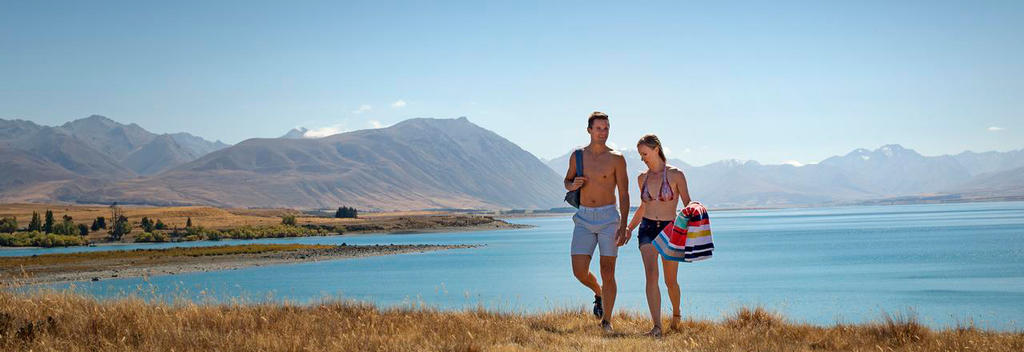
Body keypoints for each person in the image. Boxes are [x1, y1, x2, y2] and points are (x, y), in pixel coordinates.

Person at [564, 111, 630, 333]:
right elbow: (567, 181)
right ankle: (599, 293)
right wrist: (572, 185)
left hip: (609, 218)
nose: (603, 132)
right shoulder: (578, 156)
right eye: (599, 128)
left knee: (607, 269)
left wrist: (624, 226)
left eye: (606, 128)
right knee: (579, 270)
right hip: (583, 218)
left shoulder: (617, 158)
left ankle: (607, 321)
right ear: (589, 130)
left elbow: (624, 194)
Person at [622, 133, 692, 338]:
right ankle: (657, 327)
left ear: (656, 149)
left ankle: (676, 316)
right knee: (651, 275)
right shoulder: (641, 178)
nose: (642, 158)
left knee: (671, 281)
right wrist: (629, 228)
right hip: (647, 229)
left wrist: (697, 221)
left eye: (644, 153)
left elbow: (688, 204)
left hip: (670, 229)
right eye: (640, 155)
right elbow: (643, 207)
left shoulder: (676, 174)